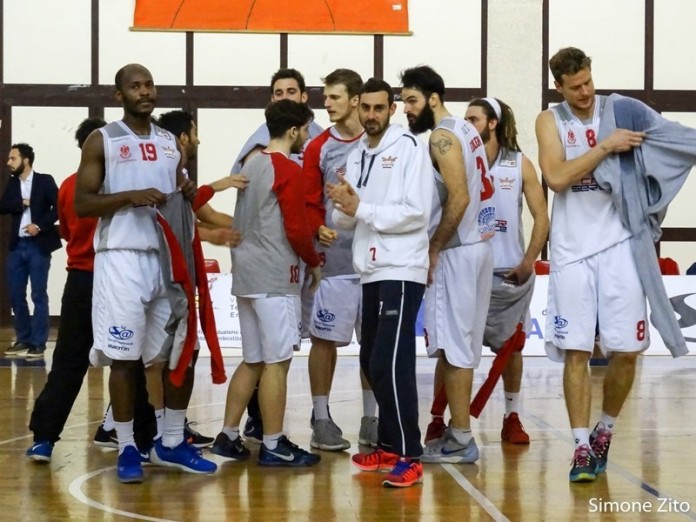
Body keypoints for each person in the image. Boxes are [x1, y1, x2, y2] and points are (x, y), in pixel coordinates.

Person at [75, 63, 217, 483]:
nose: (145, 92)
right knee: (124, 358)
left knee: (181, 352)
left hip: (168, 259)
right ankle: (126, 447)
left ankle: (171, 442)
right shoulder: (103, 140)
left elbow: (179, 189)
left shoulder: (173, 143)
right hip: (122, 258)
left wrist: (188, 191)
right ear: (119, 96)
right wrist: (128, 197)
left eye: (149, 84)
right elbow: (83, 203)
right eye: (135, 87)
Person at [535, 47, 647, 483]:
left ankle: (606, 429)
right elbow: (558, 178)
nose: (584, 93)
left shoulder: (619, 109)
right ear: (559, 87)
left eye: (588, 83)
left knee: (627, 350)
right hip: (573, 250)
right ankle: (581, 446)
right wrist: (604, 148)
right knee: (577, 352)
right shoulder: (551, 120)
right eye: (574, 87)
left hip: (620, 245)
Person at [25, 118, 157, 463]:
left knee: (68, 362)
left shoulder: (68, 186)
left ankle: (44, 438)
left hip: (80, 279)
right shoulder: (118, 189)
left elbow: (67, 231)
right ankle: (142, 438)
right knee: (130, 361)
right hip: (113, 277)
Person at [423, 97, 549, 445]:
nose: (468, 123)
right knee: (451, 349)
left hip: (509, 272)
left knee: (512, 351)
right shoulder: (461, 158)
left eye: (474, 118)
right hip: (468, 264)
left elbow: (542, 217)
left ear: (493, 123)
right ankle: (437, 418)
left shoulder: (520, 164)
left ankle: (511, 415)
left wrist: (529, 260)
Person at [327, 78, 433, 488]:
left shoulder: (409, 149)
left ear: (391, 108)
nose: (370, 115)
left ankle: (410, 453)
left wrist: (363, 208)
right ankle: (388, 444)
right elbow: (347, 219)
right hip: (369, 269)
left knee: (391, 360)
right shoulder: (355, 155)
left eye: (378, 108)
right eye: (365, 108)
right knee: (372, 358)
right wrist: (343, 205)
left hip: (402, 268)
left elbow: (416, 212)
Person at [211, 99, 322, 467]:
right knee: (278, 361)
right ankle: (274, 444)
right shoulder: (286, 168)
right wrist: (314, 260)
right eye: (306, 129)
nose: (307, 135)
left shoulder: (252, 163)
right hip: (275, 275)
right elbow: (296, 226)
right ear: (293, 131)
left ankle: (227, 435)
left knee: (254, 360)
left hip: (246, 273)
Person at [399, 65, 495, 464]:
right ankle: (457, 432)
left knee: (455, 349)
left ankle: (461, 437)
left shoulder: (441, 136)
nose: (406, 109)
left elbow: (458, 197)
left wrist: (435, 246)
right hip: (481, 246)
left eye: (411, 100)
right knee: (464, 347)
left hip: (457, 250)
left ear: (433, 98)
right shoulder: (468, 128)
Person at [303, 68, 378, 451]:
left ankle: (372, 419)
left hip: (376, 260)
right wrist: (317, 229)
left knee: (374, 343)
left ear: (354, 100)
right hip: (334, 264)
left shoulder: (380, 141)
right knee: (325, 340)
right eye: (325, 96)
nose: (326, 103)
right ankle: (320, 418)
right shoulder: (319, 147)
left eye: (333, 97)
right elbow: (306, 201)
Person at [1, 143, 62, 359]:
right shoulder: (12, 183)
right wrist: (22, 202)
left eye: (13, 158)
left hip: (38, 245)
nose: (9, 163)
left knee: (38, 294)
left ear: (26, 160)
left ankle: (38, 343)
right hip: (17, 246)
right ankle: (23, 339)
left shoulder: (44, 180)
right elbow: (4, 205)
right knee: (17, 295)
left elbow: (59, 207)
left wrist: (39, 225)